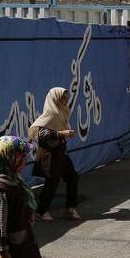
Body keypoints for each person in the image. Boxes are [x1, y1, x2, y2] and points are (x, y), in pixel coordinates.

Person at [29, 87, 80, 221]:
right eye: (62, 97)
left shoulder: (61, 112)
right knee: (52, 181)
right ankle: (41, 211)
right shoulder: (50, 114)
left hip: (60, 152)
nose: (65, 100)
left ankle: (70, 208)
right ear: (55, 99)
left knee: (72, 177)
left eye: (66, 97)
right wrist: (61, 134)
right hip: (49, 154)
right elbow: (40, 134)